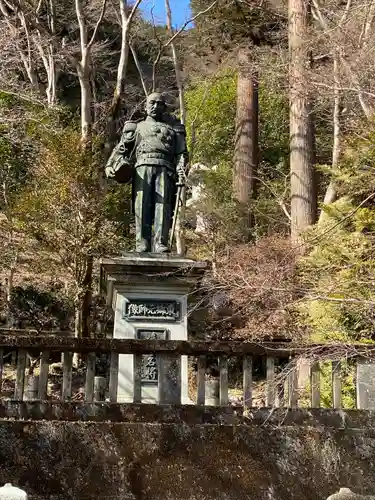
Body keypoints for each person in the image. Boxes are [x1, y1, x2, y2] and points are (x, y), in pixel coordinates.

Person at [105, 92, 188, 253]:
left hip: (165, 169)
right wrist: (110, 166)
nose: (155, 106)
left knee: (162, 206)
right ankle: (141, 242)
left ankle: (160, 242)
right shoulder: (135, 127)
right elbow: (120, 150)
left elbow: (182, 153)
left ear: (164, 108)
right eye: (152, 103)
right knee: (141, 205)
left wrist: (181, 166)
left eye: (159, 104)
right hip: (142, 169)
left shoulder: (174, 129)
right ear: (145, 105)